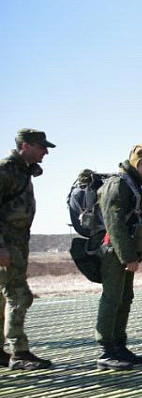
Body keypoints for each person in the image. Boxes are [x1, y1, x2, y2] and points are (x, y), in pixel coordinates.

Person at [95, 144, 142, 370]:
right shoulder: (118, 184)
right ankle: (106, 350)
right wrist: (127, 256)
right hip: (115, 251)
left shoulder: (134, 185)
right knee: (112, 298)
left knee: (125, 297)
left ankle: (119, 345)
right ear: (133, 162)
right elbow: (114, 224)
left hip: (125, 251)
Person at [0, 129, 54, 370]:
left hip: (16, 243)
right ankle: (19, 352)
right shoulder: (6, 170)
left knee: (4, 296)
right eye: (41, 147)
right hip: (7, 245)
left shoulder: (21, 170)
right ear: (25, 146)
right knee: (19, 295)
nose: (45, 152)